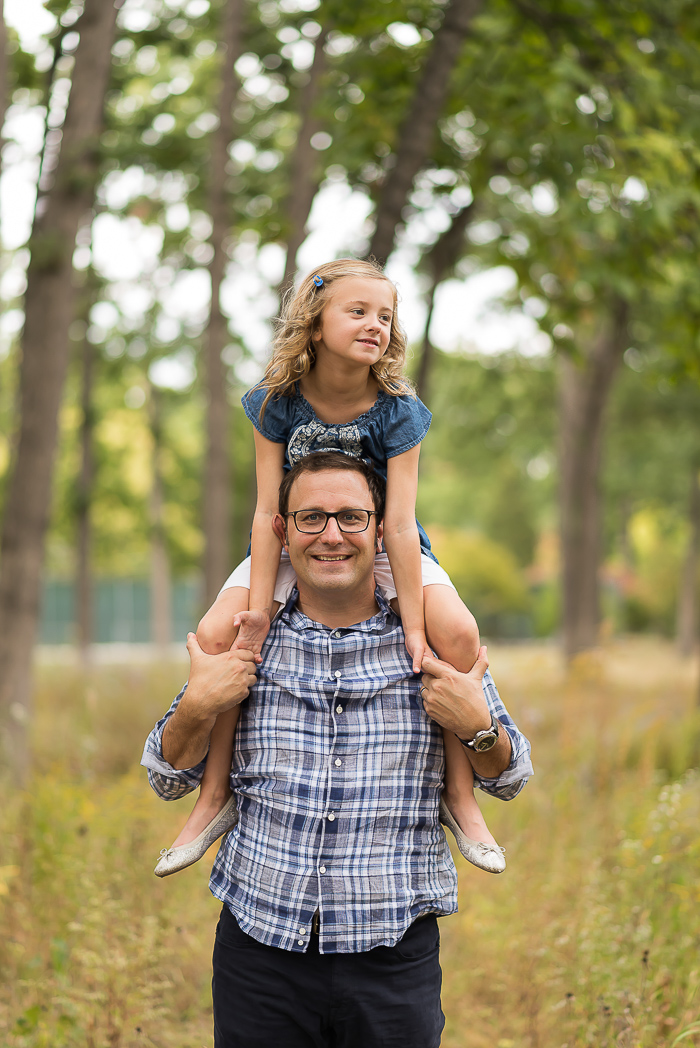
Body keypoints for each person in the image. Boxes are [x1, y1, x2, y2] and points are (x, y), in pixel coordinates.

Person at [142, 453, 533, 1048]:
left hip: (393, 962)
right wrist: (197, 706)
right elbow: (168, 778)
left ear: (381, 529)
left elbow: (509, 778)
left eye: (352, 517)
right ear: (283, 529)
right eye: (312, 518)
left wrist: (478, 725)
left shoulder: (426, 642)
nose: (331, 535)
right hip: (260, 954)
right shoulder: (250, 637)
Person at [155, 258, 500, 878]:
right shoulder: (275, 403)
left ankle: (460, 795)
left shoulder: (399, 410)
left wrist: (415, 627)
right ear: (315, 325)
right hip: (296, 538)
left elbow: (397, 524)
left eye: (386, 316)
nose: (376, 325)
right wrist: (256, 613)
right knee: (217, 636)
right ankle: (213, 795)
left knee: (460, 637)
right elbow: (267, 515)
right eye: (358, 311)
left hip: (382, 541)